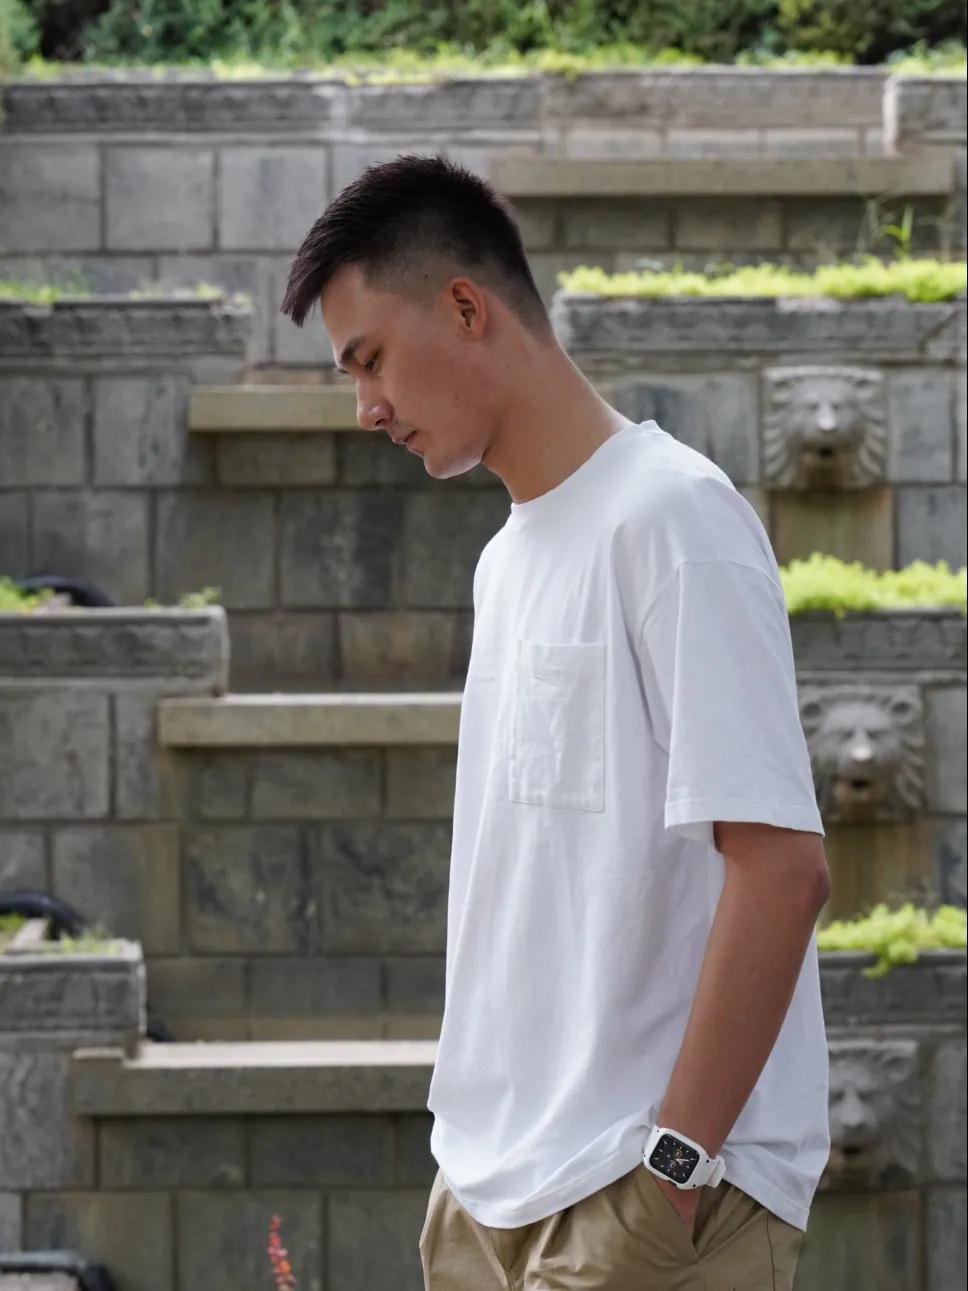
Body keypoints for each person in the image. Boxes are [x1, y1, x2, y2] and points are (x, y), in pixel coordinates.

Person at [281, 153, 831, 1291]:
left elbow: (781, 871)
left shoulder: (674, 518)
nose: (365, 407)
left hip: (642, 1194)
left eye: (369, 359)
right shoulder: (508, 558)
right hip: (487, 1196)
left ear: (465, 307)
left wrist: (673, 1168)